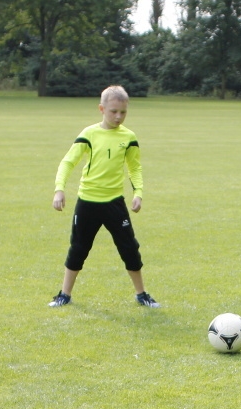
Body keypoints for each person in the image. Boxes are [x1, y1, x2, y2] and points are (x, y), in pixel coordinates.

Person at [49, 84, 160, 308]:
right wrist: (59, 189)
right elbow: (68, 162)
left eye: (123, 112)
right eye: (113, 111)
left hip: (114, 203)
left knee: (130, 249)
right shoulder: (89, 134)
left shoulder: (129, 137)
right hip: (87, 202)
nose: (118, 116)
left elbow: (134, 167)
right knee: (78, 248)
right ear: (101, 109)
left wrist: (138, 193)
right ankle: (64, 295)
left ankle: (142, 294)